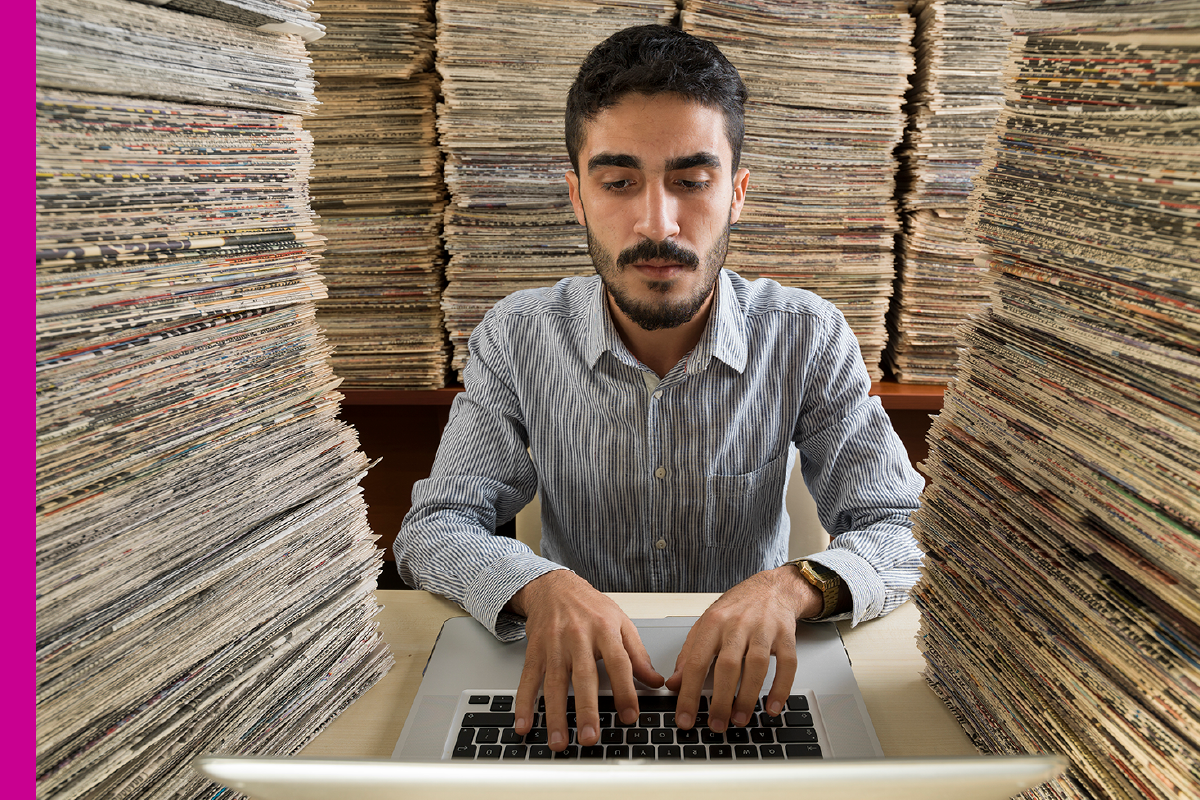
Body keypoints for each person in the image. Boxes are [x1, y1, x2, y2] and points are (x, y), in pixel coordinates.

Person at [396, 24, 924, 754]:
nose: (657, 223)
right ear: (578, 196)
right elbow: (434, 528)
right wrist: (540, 586)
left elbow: (904, 528)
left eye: (691, 180)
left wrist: (794, 585)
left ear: (736, 194)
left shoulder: (809, 335)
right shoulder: (517, 337)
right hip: (573, 682)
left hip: (747, 688)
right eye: (618, 183)